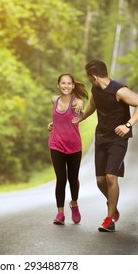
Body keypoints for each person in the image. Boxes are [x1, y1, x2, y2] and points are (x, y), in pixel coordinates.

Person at [73, 59, 138, 232]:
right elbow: (93, 105)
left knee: (110, 178)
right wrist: (81, 117)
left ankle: (109, 219)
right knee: (100, 181)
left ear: (93, 76)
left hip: (117, 139)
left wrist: (128, 125)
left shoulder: (120, 90)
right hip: (101, 137)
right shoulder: (96, 88)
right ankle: (112, 204)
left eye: (89, 77)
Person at [48, 73, 88, 225]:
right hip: (56, 144)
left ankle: (74, 204)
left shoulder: (76, 102)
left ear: (73, 86)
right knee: (61, 179)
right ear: (58, 85)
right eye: (63, 83)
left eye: (69, 83)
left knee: (73, 179)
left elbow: (81, 107)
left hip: (74, 146)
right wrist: (52, 124)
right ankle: (60, 214)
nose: (66, 86)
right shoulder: (54, 99)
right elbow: (57, 118)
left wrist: (80, 107)